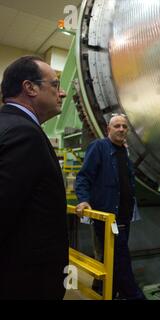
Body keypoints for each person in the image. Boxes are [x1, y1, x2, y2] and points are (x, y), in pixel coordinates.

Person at [0, 55, 68, 299]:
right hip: (25, 281)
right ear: (30, 88)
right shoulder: (23, 133)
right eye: (55, 85)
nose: (63, 94)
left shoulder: (8, 125)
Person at [74, 114, 145, 300]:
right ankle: (133, 294)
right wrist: (83, 199)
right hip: (107, 216)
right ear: (108, 129)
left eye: (124, 126)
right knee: (120, 256)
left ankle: (109, 292)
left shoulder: (124, 151)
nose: (121, 129)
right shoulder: (99, 147)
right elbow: (83, 176)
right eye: (117, 126)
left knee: (113, 258)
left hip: (124, 216)